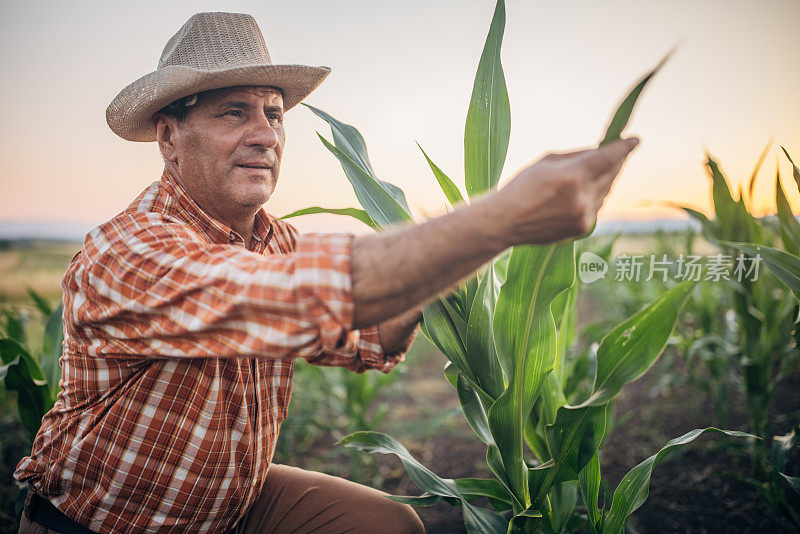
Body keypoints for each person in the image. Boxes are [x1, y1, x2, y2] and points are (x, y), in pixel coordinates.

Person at [14, 11, 638, 534]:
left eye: (275, 114)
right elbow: (300, 295)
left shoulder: (272, 239)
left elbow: (370, 335)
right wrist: (499, 218)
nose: (265, 135)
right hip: (114, 523)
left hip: (233, 502)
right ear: (169, 136)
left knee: (387, 525)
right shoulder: (129, 251)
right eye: (235, 113)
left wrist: (453, 262)